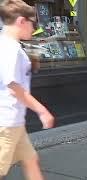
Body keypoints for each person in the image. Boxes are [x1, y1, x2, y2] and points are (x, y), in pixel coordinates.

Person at [0, 0, 55, 179]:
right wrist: (42, 111)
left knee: (31, 160)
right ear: (21, 21)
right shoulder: (10, 48)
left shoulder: (10, 45)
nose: (34, 28)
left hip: (14, 120)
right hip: (6, 121)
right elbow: (14, 86)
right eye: (33, 23)